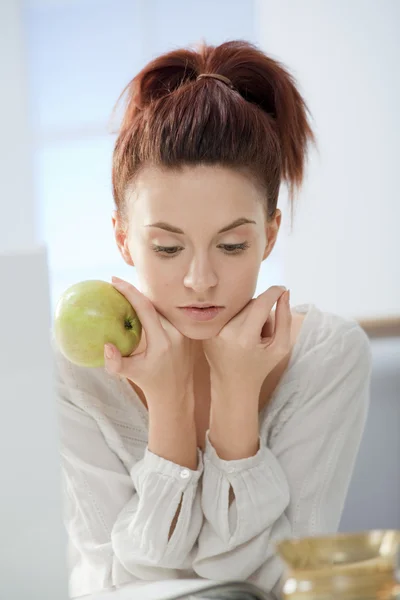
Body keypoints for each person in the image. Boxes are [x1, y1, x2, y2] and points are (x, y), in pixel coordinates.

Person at [52, 40, 372, 599]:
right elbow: (120, 586)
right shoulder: (75, 370)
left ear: (270, 235)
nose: (201, 280)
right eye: (168, 249)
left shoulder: (328, 355)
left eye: (230, 245)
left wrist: (236, 397)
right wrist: (170, 404)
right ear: (124, 239)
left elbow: (281, 578)